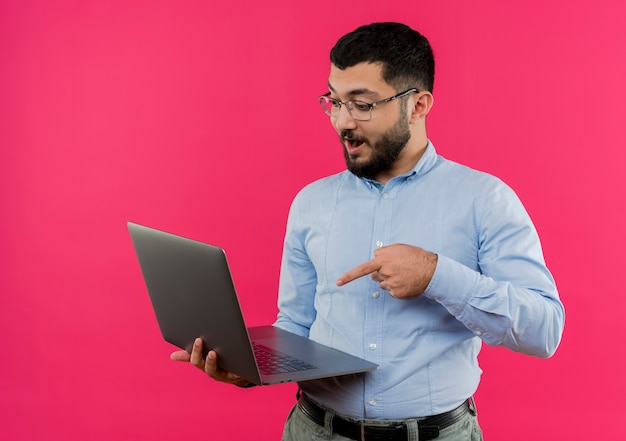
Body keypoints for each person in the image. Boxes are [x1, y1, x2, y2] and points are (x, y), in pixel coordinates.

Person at [171, 22, 565, 440]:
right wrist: (251, 369)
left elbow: (545, 331)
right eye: (334, 101)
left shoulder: (484, 199)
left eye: (362, 105)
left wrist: (436, 274)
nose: (342, 122)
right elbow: (296, 324)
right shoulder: (311, 203)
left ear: (418, 106)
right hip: (314, 429)